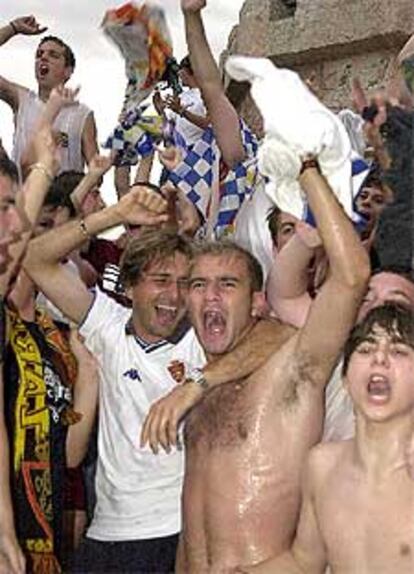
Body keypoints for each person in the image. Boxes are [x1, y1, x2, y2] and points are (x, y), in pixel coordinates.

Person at [141, 150, 370, 570]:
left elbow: (351, 277)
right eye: (198, 285)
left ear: (257, 303)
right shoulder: (199, 389)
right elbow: (194, 516)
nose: (210, 296)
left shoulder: (292, 369)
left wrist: (308, 169)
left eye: (227, 285)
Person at [244, 302, 414, 574]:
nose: (379, 359)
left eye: (398, 351)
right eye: (366, 349)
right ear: (346, 378)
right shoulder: (322, 466)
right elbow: (304, 562)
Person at [0, 15, 98, 178]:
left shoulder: (82, 114)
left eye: (53, 55)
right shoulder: (22, 99)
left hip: (62, 201)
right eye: (39, 54)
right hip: (24, 199)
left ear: (68, 71)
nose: (43, 58)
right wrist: (13, 28)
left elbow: (96, 171)